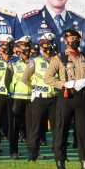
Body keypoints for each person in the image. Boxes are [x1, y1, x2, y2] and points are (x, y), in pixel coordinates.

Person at [44, 29, 85, 169]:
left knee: (83, 133)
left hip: (83, 98)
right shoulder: (59, 58)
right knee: (62, 131)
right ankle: (61, 165)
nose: (76, 41)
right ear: (66, 41)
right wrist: (64, 84)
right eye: (73, 38)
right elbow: (48, 78)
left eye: (77, 38)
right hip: (66, 97)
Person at [24, 33, 58, 161]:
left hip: (54, 97)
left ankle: (59, 154)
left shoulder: (58, 60)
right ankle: (33, 154)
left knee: (57, 127)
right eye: (44, 44)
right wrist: (36, 87)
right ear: (41, 47)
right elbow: (25, 78)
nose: (47, 46)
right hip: (39, 97)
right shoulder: (35, 61)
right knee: (36, 127)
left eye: (49, 43)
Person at [9, 36, 33, 160]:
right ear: (18, 48)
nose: (26, 48)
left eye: (28, 45)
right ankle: (14, 151)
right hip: (17, 97)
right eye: (23, 46)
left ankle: (32, 152)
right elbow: (7, 80)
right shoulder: (13, 63)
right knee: (15, 126)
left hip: (31, 98)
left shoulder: (35, 62)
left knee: (31, 127)